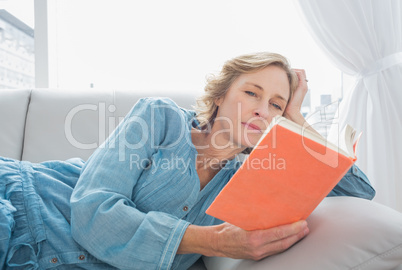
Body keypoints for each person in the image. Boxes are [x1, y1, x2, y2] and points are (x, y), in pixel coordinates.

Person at [0, 52, 375, 270]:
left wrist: (295, 116)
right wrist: (213, 241)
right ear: (219, 97)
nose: (263, 110)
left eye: (274, 104)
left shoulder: (251, 180)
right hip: (21, 203)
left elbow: (359, 193)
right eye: (251, 93)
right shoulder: (160, 118)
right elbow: (93, 212)